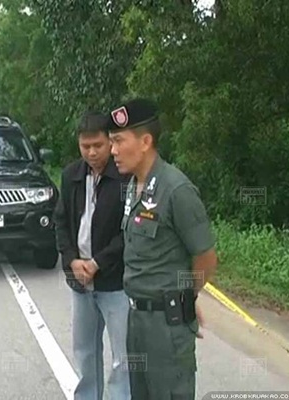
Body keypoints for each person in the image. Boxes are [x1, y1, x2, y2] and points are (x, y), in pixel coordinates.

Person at [106, 98, 218, 400]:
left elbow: (206, 257)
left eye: (119, 141)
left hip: (166, 327)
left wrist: (185, 296)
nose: (113, 150)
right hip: (136, 319)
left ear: (145, 142)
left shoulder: (177, 190)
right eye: (111, 142)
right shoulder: (134, 187)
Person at [53, 111, 131, 400]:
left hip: (115, 282)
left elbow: (128, 232)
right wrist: (72, 260)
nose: (92, 152)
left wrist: (98, 263)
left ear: (110, 142)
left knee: (123, 356)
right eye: (85, 146)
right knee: (85, 351)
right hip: (81, 281)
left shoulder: (125, 178)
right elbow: (61, 221)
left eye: (98, 145)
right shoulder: (71, 175)